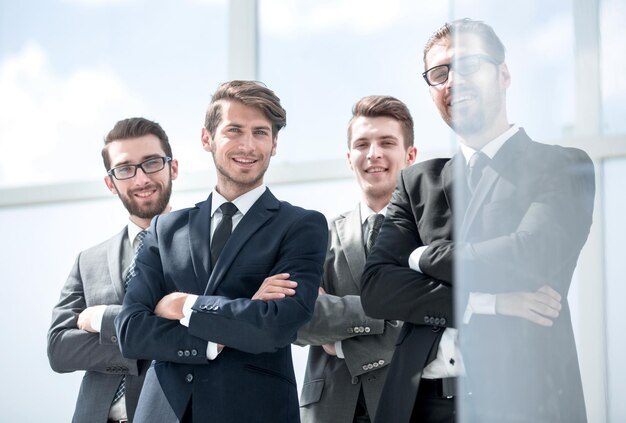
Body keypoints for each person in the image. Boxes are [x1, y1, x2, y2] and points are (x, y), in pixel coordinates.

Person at [361, 18, 594, 423]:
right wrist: (491, 302)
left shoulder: (560, 166)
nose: (453, 81)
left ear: (503, 74)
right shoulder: (416, 184)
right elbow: (378, 289)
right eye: (439, 73)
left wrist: (420, 258)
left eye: (468, 65)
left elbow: (527, 256)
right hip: (418, 407)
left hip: (523, 405)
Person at [114, 80, 328, 423]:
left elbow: (277, 326)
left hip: (254, 411)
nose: (248, 144)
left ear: (274, 144)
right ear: (207, 138)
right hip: (163, 412)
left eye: (260, 132)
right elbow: (131, 331)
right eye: (234, 130)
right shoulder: (164, 229)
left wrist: (185, 304)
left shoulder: (302, 226)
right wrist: (227, 328)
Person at [47, 117, 179, 423]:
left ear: (173, 168)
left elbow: (198, 329)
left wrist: (102, 319)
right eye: (125, 169)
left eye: (152, 163)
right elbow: (60, 349)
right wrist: (146, 336)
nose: (141, 178)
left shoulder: (205, 248)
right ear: (111, 183)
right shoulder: (88, 261)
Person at [295, 95, 417, 423]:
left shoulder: (430, 237)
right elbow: (299, 317)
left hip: (408, 405)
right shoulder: (315, 236)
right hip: (329, 409)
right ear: (350, 158)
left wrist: (343, 344)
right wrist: (388, 313)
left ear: (410, 155)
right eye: (362, 144)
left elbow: (428, 321)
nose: (373, 153)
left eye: (386, 142)